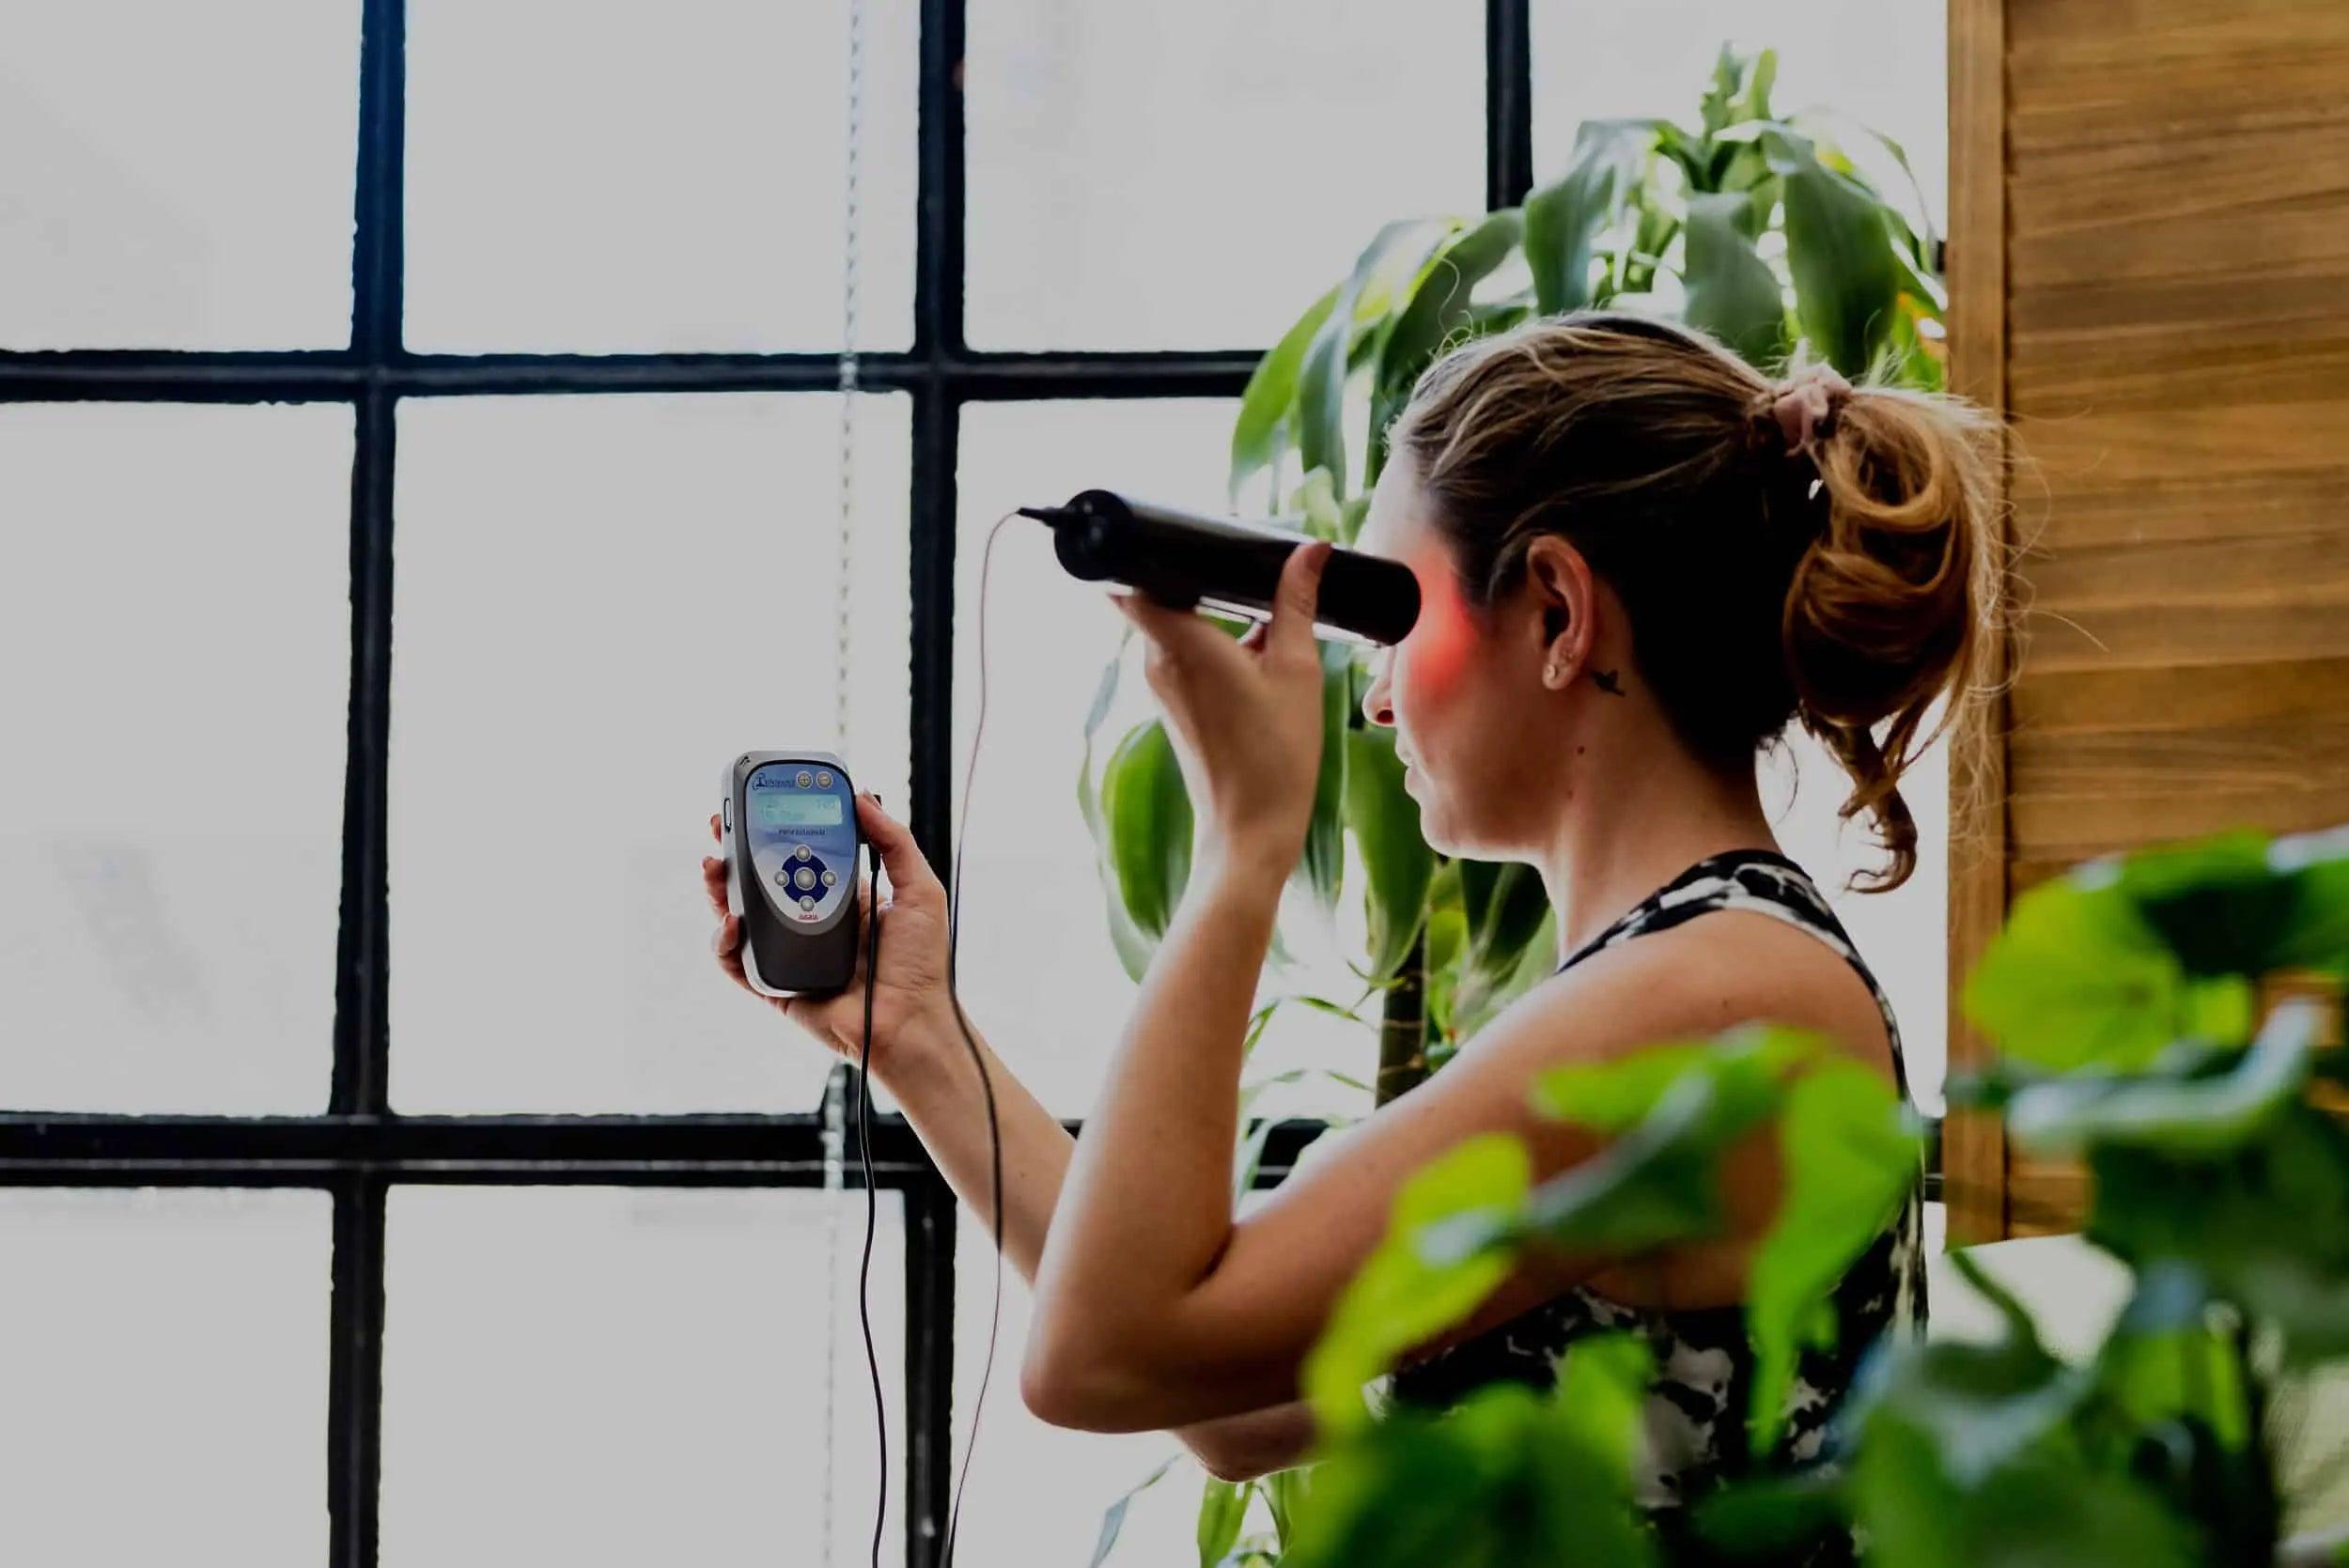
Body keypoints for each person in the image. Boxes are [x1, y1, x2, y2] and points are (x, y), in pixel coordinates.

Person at [700, 311, 1998, 1548]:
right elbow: (1222, 1393)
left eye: (1388, 613)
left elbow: (1106, 1351)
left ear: (1555, 610)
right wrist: (916, 1030)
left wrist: (1249, 844)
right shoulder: (1691, 980)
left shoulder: (1712, 1004)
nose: (1370, 694)